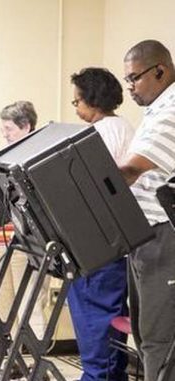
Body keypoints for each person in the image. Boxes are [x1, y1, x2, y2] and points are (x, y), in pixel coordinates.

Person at [68, 67, 134, 381]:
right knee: (109, 336)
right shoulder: (123, 128)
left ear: (92, 100)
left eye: (77, 101)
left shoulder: (102, 134)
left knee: (95, 334)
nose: (77, 108)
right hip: (116, 248)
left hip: (99, 250)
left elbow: (89, 190)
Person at [117, 39, 175, 381]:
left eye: (134, 79)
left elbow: (130, 171)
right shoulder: (156, 111)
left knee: (159, 339)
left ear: (160, 71)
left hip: (164, 236)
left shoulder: (171, 111)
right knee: (146, 334)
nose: (130, 88)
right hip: (145, 236)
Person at [0, 101, 51, 343]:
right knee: (3, 303)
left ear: (26, 127)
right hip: (0, 239)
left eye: (8, 128)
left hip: (28, 242)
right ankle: (13, 358)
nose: (4, 134)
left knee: (29, 303)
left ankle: (36, 364)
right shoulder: (4, 156)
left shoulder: (40, 155)